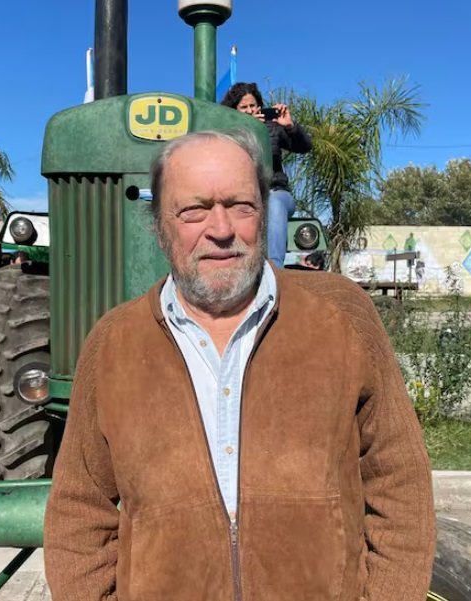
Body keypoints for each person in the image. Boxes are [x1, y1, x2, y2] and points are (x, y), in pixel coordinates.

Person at [44, 130, 436, 600]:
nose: (221, 228)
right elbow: (79, 510)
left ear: (263, 213)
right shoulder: (114, 344)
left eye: (241, 206)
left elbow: (400, 480)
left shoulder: (340, 317)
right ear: (159, 226)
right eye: (194, 210)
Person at [221, 82, 311, 268]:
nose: (250, 110)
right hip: (243, 196)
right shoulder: (228, 133)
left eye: (253, 105)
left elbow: (304, 147)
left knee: (274, 202)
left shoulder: (273, 127)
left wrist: (290, 127)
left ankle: (274, 269)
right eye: (244, 107)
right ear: (234, 110)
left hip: (275, 192)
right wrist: (248, 129)